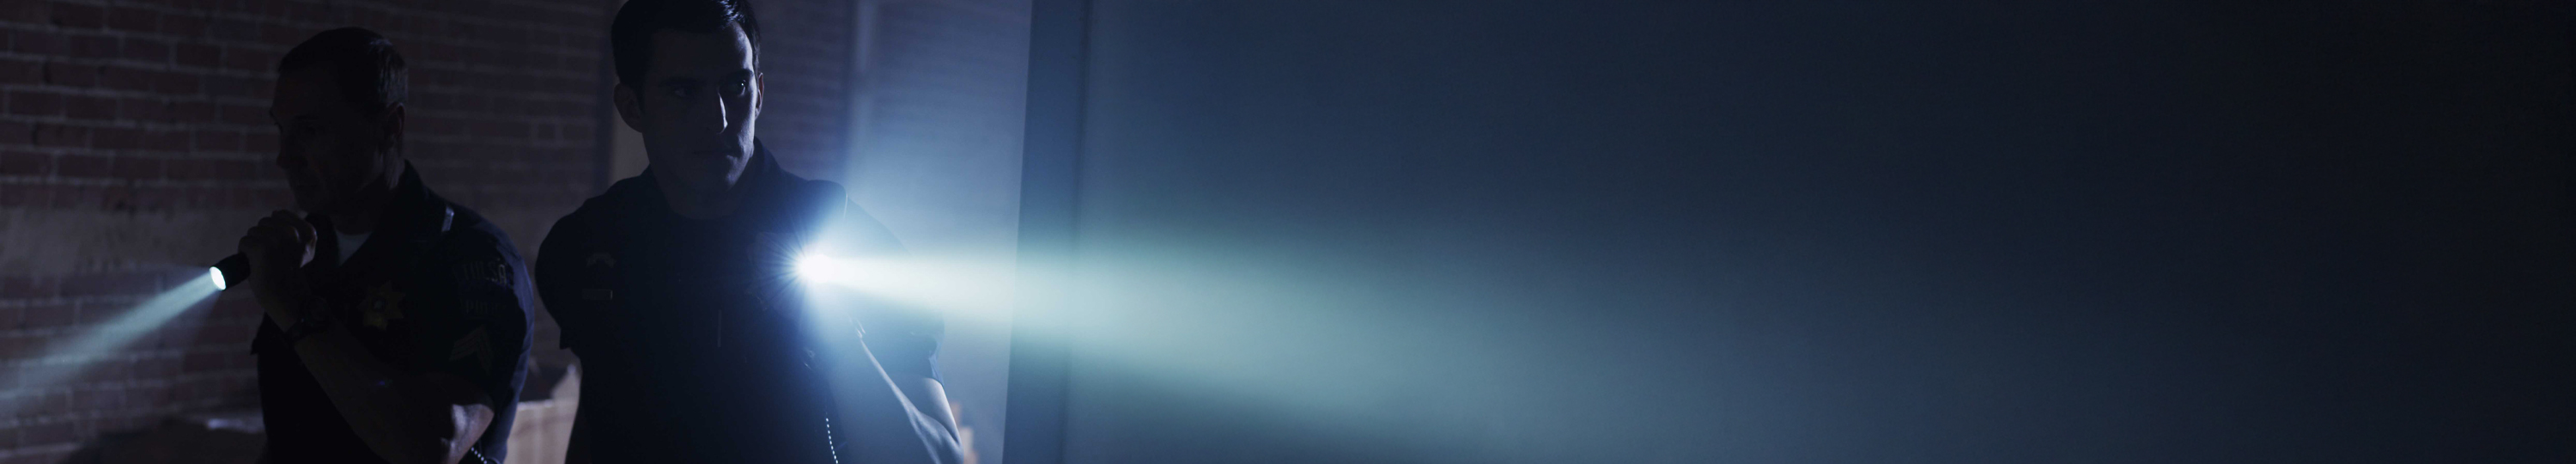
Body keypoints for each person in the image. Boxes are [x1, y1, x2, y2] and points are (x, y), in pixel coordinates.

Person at [532, 0, 962, 462]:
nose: (717, 119)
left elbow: (939, 457)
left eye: (735, 86)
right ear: (631, 107)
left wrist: (838, 339)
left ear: (759, 93)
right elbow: (601, 416)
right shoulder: (588, 244)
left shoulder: (841, 237)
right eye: (684, 91)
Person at [238, 27, 533, 464]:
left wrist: (296, 308)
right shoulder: (305, 252)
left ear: (389, 127)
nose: (285, 157)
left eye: (311, 131)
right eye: (282, 130)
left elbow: (434, 445)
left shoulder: (472, 259)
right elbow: (294, 428)